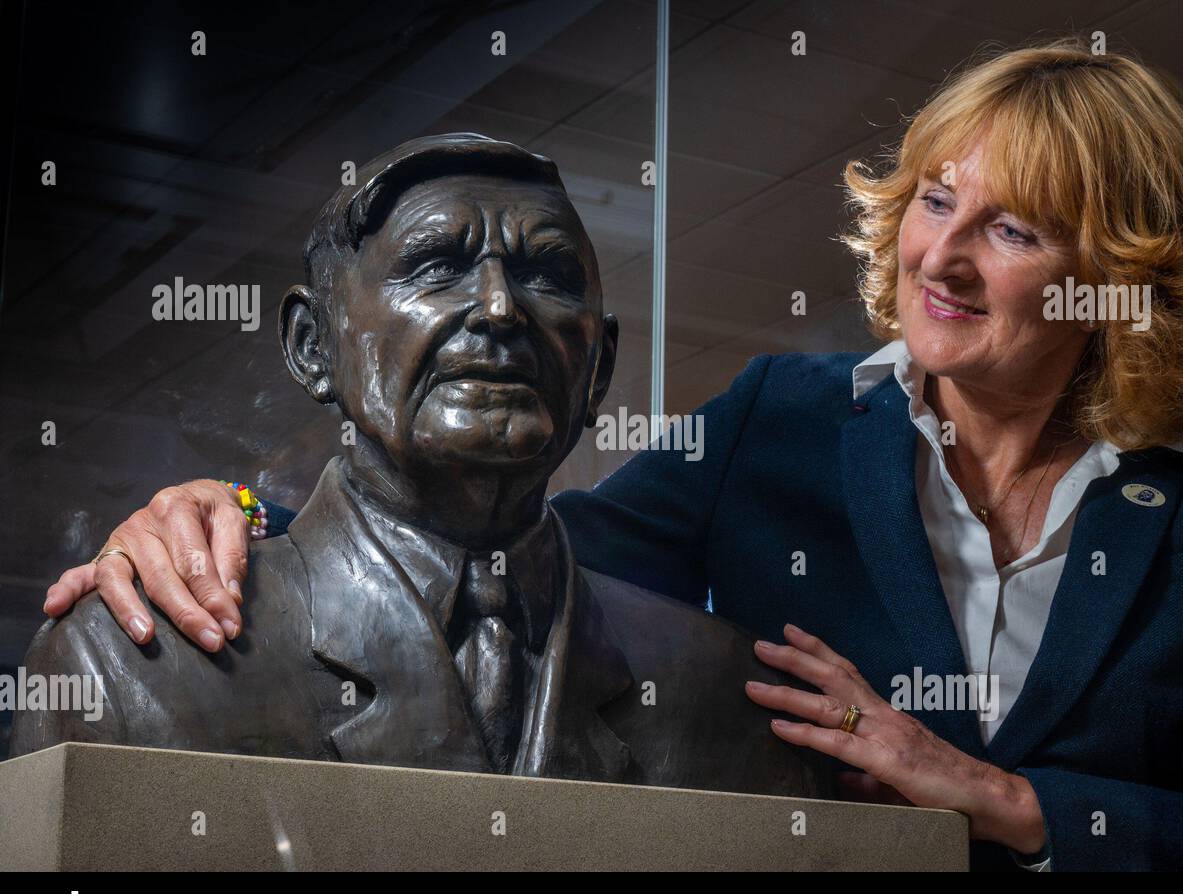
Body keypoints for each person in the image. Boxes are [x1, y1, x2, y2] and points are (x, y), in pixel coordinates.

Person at [38, 40, 1183, 871]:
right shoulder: (782, 419)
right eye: (932, 199)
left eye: (1010, 228)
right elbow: (504, 553)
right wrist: (230, 514)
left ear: (1118, 276)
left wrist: (1006, 803)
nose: (940, 257)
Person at [9, 133, 828, 801]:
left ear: (601, 366)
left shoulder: (726, 696)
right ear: (312, 347)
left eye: (546, 274)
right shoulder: (123, 666)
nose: (502, 309)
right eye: (438, 266)